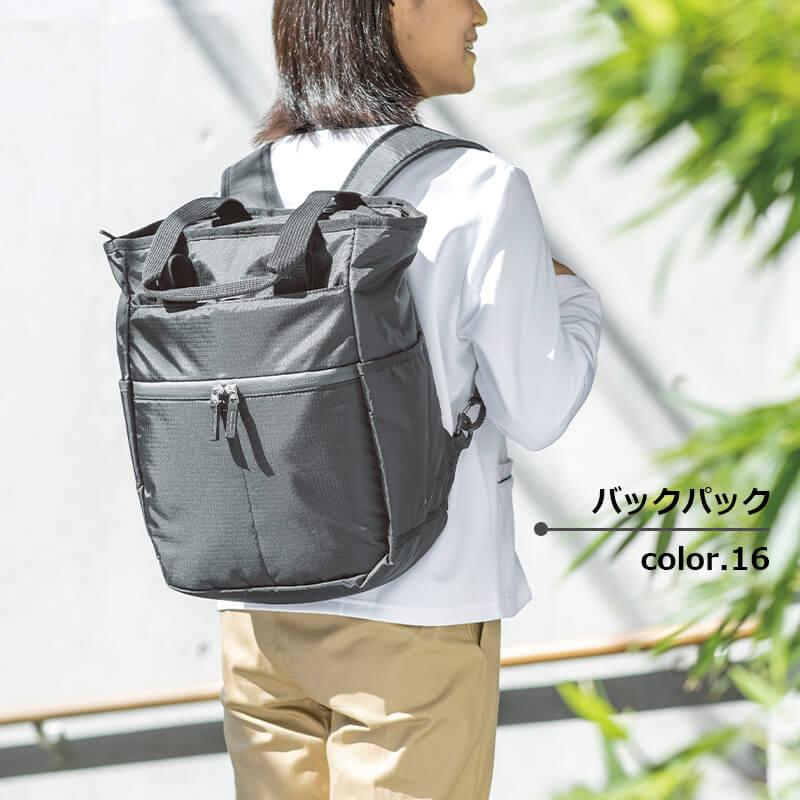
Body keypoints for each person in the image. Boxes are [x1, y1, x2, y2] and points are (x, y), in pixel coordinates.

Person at [217, 1, 603, 798]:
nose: (480, 14)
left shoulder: (249, 182)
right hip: (415, 616)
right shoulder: (475, 186)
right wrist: (576, 300)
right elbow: (539, 408)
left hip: (260, 618)